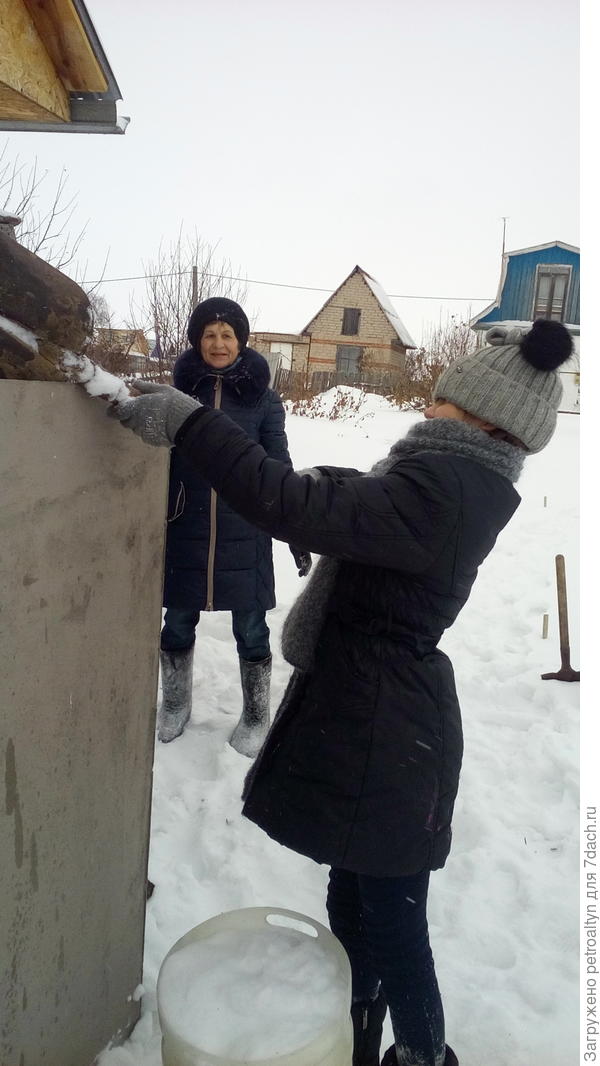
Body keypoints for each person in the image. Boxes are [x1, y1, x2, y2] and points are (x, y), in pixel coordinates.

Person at [108, 318, 573, 1066]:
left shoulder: (445, 488)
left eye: (447, 404)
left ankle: (422, 1055)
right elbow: (357, 503)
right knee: (355, 903)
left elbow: (294, 505)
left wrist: (193, 422)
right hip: (380, 715)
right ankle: (356, 1034)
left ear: (489, 422)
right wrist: (329, 490)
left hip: (388, 733)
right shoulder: (454, 479)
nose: (431, 409)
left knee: (392, 920)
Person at [157, 296, 311, 755]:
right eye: (209, 335)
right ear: (197, 341)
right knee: (177, 622)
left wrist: (295, 529)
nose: (218, 343)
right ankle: (176, 703)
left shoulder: (264, 401)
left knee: (251, 627)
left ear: (241, 341)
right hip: (184, 527)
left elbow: (279, 466)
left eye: (226, 335)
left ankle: (257, 714)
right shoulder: (177, 397)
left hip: (245, 528)